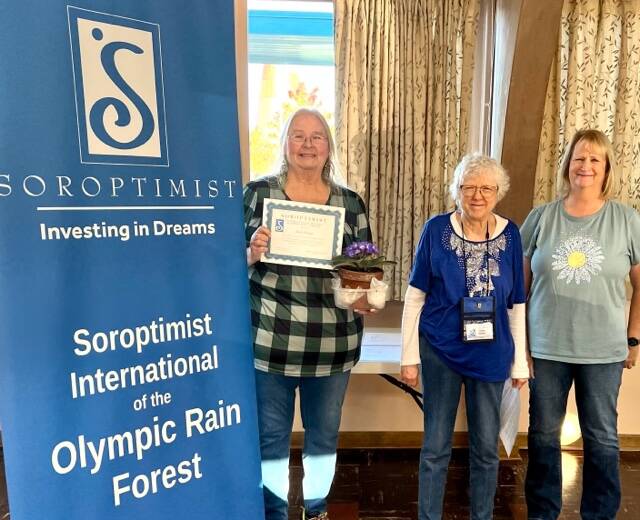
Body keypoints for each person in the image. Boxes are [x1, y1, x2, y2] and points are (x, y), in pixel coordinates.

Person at [243, 108, 372, 520]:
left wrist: (364, 289)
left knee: (323, 441)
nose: (307, 145)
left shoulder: (350, 203)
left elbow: (364, 269)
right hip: (269, 345)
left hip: (332, 348)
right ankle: (275, 513)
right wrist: (251, 252)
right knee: (271, 441)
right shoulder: (257, 195)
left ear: (328, 147)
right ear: (285, 143)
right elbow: (223, 263)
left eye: (317, 137)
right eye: (298, 136)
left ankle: (316, 511)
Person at [400, 153, 529, 520]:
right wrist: (408, 357)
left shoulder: (511, 233)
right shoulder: (436, 230)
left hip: (491, 354)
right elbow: (415, 297)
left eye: (486, 187)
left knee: (486, 448)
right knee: (436, 445)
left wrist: (520, 362)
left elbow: (516, 303)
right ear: (456, 191)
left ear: (498, 192)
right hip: (440, 349)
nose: (477, 195)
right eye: (469, 187)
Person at [522, 129, 640, 520]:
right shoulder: (540, 217)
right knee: (541, 436)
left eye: (594, 160)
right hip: (545, 346)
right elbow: (519, 288)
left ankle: (600, 514)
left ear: (606, 169)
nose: (585, 166)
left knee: (602, 437)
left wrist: (634, 338)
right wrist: (520, 344)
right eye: (578, 158)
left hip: (603, 349)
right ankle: (542, 513)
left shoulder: (626, 219)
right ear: (567, 165)